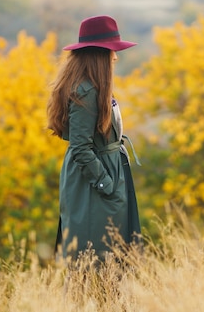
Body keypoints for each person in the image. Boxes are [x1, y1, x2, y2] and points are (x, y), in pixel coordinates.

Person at [47, 15, 141, 261]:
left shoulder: (94, 87)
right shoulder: (86, 92)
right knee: (95, 259)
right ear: (100, 55)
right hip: (94, 185)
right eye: (113, 51)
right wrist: (106, 185)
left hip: (106, 177)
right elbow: (80, 148)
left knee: (111, 255)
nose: (116, 57)